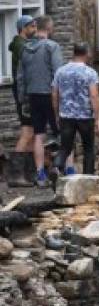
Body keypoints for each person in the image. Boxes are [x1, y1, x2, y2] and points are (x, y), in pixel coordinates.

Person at [16, 15, 63, 186]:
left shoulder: (25, 49)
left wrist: (23, 99)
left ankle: (40, 174)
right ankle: (63, 170)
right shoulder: (53, 47)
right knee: (61, 133)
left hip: (33, 96)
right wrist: (61, 97)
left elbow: (20, 77)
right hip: (51, 95)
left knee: (38, 135)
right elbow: (58, 74)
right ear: (49, 29)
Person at [51, 42, 99, 176]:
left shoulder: (60, 71)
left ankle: (56, 167)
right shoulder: (90, 73)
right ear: (86, 53)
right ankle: (88, 178)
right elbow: (94, 96)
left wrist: (56, 114)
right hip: (85, 116)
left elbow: (55, 94)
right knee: (88, 148)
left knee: (65, 148)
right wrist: (97, 118)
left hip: (66, 115)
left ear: (74, 53)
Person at [6, 15, 37, 186]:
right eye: (32, 26)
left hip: (27, 94)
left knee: (33, 133)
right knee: (27, 132)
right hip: (24, 95)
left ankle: (30, 173)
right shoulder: (21, 46)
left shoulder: (24, 45)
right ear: (23, 28)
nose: (35, 29)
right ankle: (16, 174)